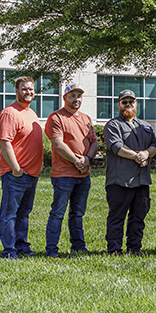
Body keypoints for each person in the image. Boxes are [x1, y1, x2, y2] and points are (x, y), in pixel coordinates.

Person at [44, 83, 98, 257]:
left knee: (78, 214)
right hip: (63, 175)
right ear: (65, 97)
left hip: (83, 175)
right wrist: (77, 161)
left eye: (79, 96)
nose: (76, 99)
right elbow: (58, 144)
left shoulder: (86, 118)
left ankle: (79, 247)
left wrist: (87, 159)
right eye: (72, 95)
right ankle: (52, 250)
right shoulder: (56, 117)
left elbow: (94, 142)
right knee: (58, 213)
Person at [103, 90, 156, 255]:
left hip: (141, 180)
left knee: (138, 217)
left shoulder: (145, 126)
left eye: (131, 102)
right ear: (119, 104)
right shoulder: (113, 125)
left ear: (136, 104)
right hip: (120, 180)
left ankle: (135, 248)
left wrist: (147, 153)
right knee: (117, 217)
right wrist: (138, 156)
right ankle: (114, 249)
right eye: (124, 102)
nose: (128, 105)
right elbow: (116, 147)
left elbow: (155, 145)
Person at [0, 76, 44, 259]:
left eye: (31, 89)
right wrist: (15, 168)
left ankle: (21, 245)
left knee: (24, 213)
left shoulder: (30, 112)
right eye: (24, 89)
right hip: (15, 174)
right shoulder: (10, 113)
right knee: (10, 213)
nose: (28, 92)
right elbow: (5, 142)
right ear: (16, 91)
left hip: (31, 174)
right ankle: (9, 250)